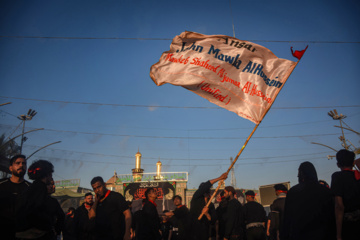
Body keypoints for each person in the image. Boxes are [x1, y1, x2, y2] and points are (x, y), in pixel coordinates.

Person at [282, 161, 335, 240]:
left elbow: (287, 218)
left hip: (300, 234)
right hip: (323, 234)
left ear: (302, 174)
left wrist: (285, 236)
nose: (297, 176)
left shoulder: (293, 192)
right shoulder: (325, 191)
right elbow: (332, 215)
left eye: (299, 172)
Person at [16, 159, 56, 239]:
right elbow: (36, 209)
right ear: (46, 174)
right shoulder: (40, 188)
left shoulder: (32, 187)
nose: (51, 177)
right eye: (51, 173)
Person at [331, 149, 360, 240]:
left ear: (338, 164)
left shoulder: (337, 177)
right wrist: (355, 162)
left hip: (348, 225)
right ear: (353, 163)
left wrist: (338, 235)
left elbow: (339, 206)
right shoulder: (358, 176)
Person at [0, 154, 31, 240]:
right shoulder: (1, 185)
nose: (21, 165)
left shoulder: (30, 188)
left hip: (23, 234)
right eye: (18, 163)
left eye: (24, 163)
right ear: (10, 168)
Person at [190, 172, 228, 240]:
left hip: (205, 232)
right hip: (193, 231)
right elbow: (207, 185)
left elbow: (213, 220)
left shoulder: (210, 204)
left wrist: (207, 214)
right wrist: (220, 178)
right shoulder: (196, 198)